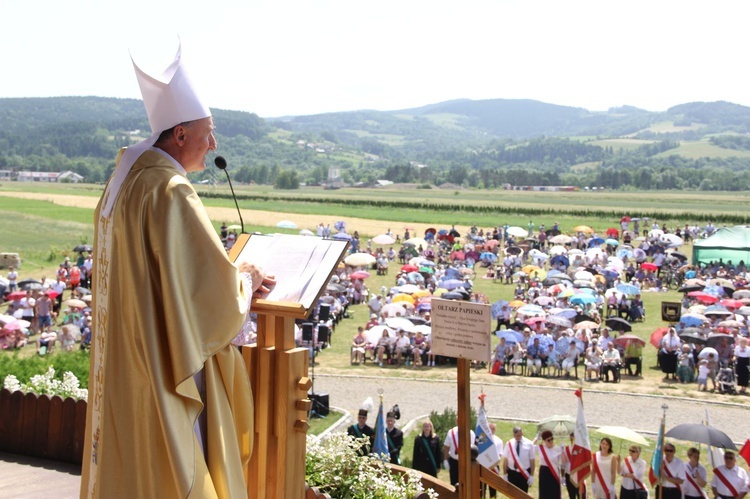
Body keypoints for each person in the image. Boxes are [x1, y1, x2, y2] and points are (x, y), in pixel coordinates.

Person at [80, 46, 275, 499]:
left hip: (129, 355)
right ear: (182, 133)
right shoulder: (170, 189)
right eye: (209, 133)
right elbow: (215, 298)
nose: (214, 144)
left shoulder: (125, 180)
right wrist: (243, 274)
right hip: (165, 361)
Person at [502, 426, 535, 493]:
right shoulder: (509, 444)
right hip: (512, 473)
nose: (517, 437)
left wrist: (531, 475)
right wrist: (505, 474)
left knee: (523, 495)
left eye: (519, 435)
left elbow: (532, 461)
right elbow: (505, 460)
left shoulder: (529, 444)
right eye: (515, 436)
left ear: (522, 433)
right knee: (512, 494)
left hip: (524, 473)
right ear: (513, 434)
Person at [443, 422, 476, 487]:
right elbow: (446, 446)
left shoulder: (471, 433)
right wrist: (445, 460)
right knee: (454, 483)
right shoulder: (451, 432)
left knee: (466, 483)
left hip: (466, 462)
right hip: (454, 461)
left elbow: (473, 447)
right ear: (456, 422)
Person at [536, 430, 564, 498]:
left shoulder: (557, 448)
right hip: (544, 472)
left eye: (552, 439)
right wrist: (536, 439)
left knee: (554, 492)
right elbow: (529, 447)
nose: (551, 441)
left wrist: (563, 451)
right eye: (548, 440)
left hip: (554, 472)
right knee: (544, 493)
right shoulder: (541, 448)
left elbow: (563, 461)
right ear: (544, 440)